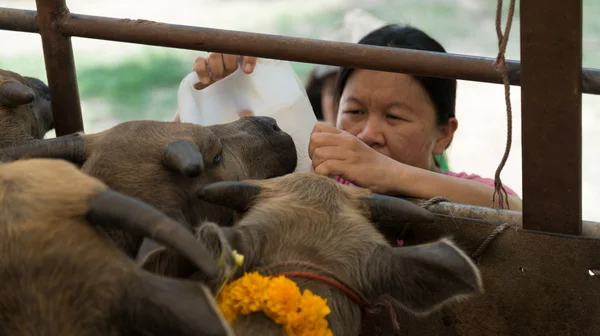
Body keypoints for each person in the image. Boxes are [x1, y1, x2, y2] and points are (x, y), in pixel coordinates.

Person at [172, 25, 522, 211]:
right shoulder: (314, 175)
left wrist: (391, 175)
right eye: (354, 112)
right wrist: (217, 92)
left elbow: (515, 209)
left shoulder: (462, 189)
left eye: (395, 117)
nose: (369, 133)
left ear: (444, 134)